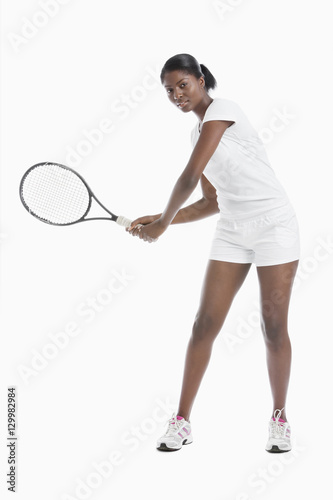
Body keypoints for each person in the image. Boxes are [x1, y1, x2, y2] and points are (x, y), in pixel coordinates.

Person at [126, 53, 300, 453]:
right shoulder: (195, 135)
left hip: (275, 225)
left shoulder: (223, 110)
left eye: (182, 85)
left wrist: (163, 225)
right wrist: (159, 216)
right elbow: (210, 202)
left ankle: (279, 418)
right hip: (233, 231)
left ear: (201, 80)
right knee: (204, 324)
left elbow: (188, 176)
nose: (176, 95)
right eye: (169, 90)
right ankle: (182, 421)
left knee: (273, 328)